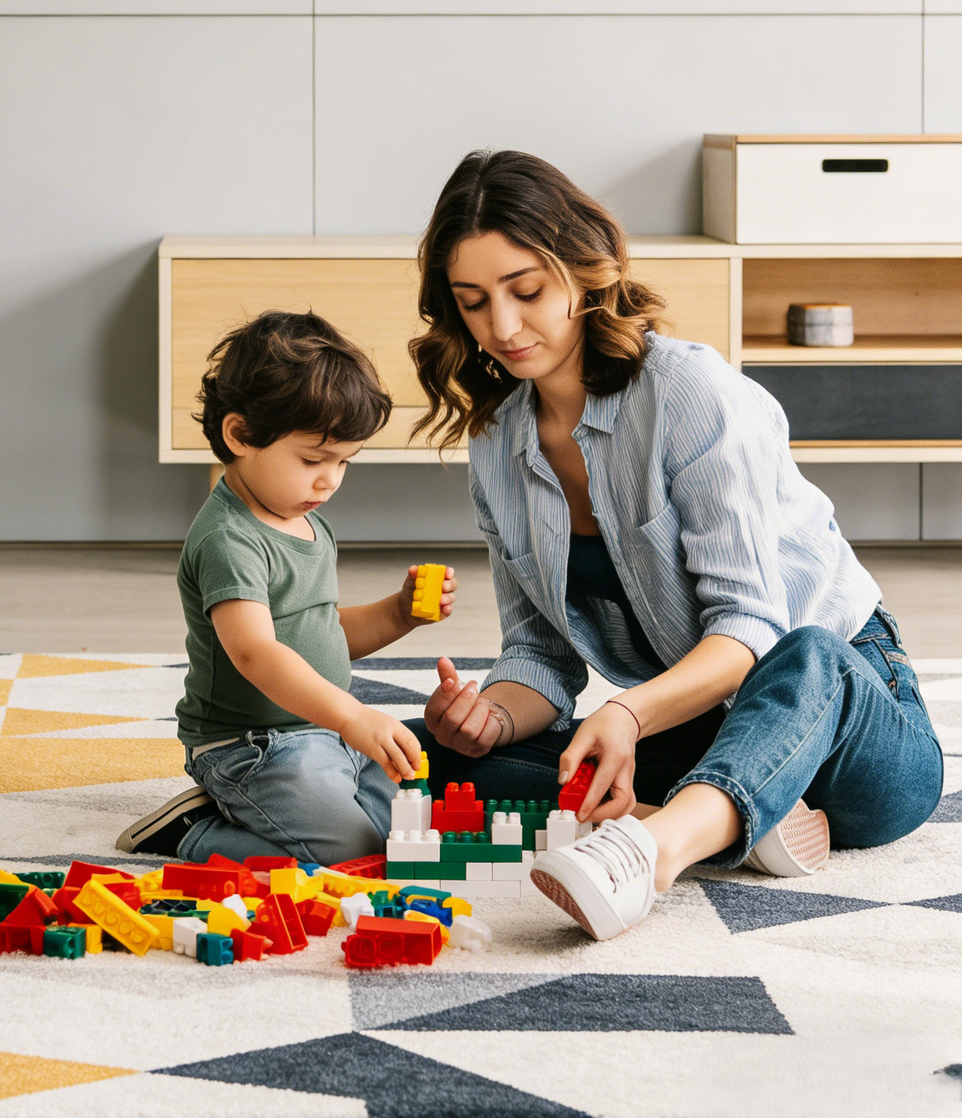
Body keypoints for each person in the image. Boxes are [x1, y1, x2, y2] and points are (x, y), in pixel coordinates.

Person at [403, 150, 942, 941]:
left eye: (526, 291)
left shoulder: (687, 391)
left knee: (805, 652)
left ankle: (649, 850)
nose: (503, 327)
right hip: (699, 732)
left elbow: (749, 631)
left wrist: (625, 712)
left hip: (847, 721)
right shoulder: (497, 442)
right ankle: (733, 813)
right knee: (425, 760)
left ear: (582, 271)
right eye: (473, 302)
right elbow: (539, 656)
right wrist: (484, 718)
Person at [115, 309, 457, 863]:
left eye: (345, 462)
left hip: (326, 730)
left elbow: (320, 632)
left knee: (405, 830)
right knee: (351, 853)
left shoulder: (307, 521)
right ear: (240, 435)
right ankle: (191, 830)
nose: (330, 480)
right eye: (313, 459)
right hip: (251, 747)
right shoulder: (229, 539)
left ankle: (287, 810)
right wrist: (351, 715)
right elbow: (256, 652)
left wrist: (399, 613)